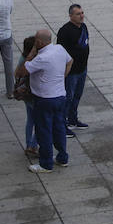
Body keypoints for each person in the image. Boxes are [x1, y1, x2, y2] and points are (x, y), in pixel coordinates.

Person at [17, 28, 72, 173]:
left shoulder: (41, 58)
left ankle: (46, 164)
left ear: (40, 42)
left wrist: (30, 55)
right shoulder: (59, 49)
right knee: (59, 128)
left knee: (44, 131)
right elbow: (70, 61)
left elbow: (20, 73)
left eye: (36, 40)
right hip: (60, 96)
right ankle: (62, 157)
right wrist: (62, 77)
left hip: (44, 100)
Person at [57, 5, 91, 133]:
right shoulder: (65, 31)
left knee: (77, 95)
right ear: (71, 16)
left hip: (82, 69)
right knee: (68, 98)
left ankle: (73, 119)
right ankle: (62, 125)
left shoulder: (83, 27)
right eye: (78, 14)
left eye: (82, 13)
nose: (82, 16)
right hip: (71, 71)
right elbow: (60, 51)